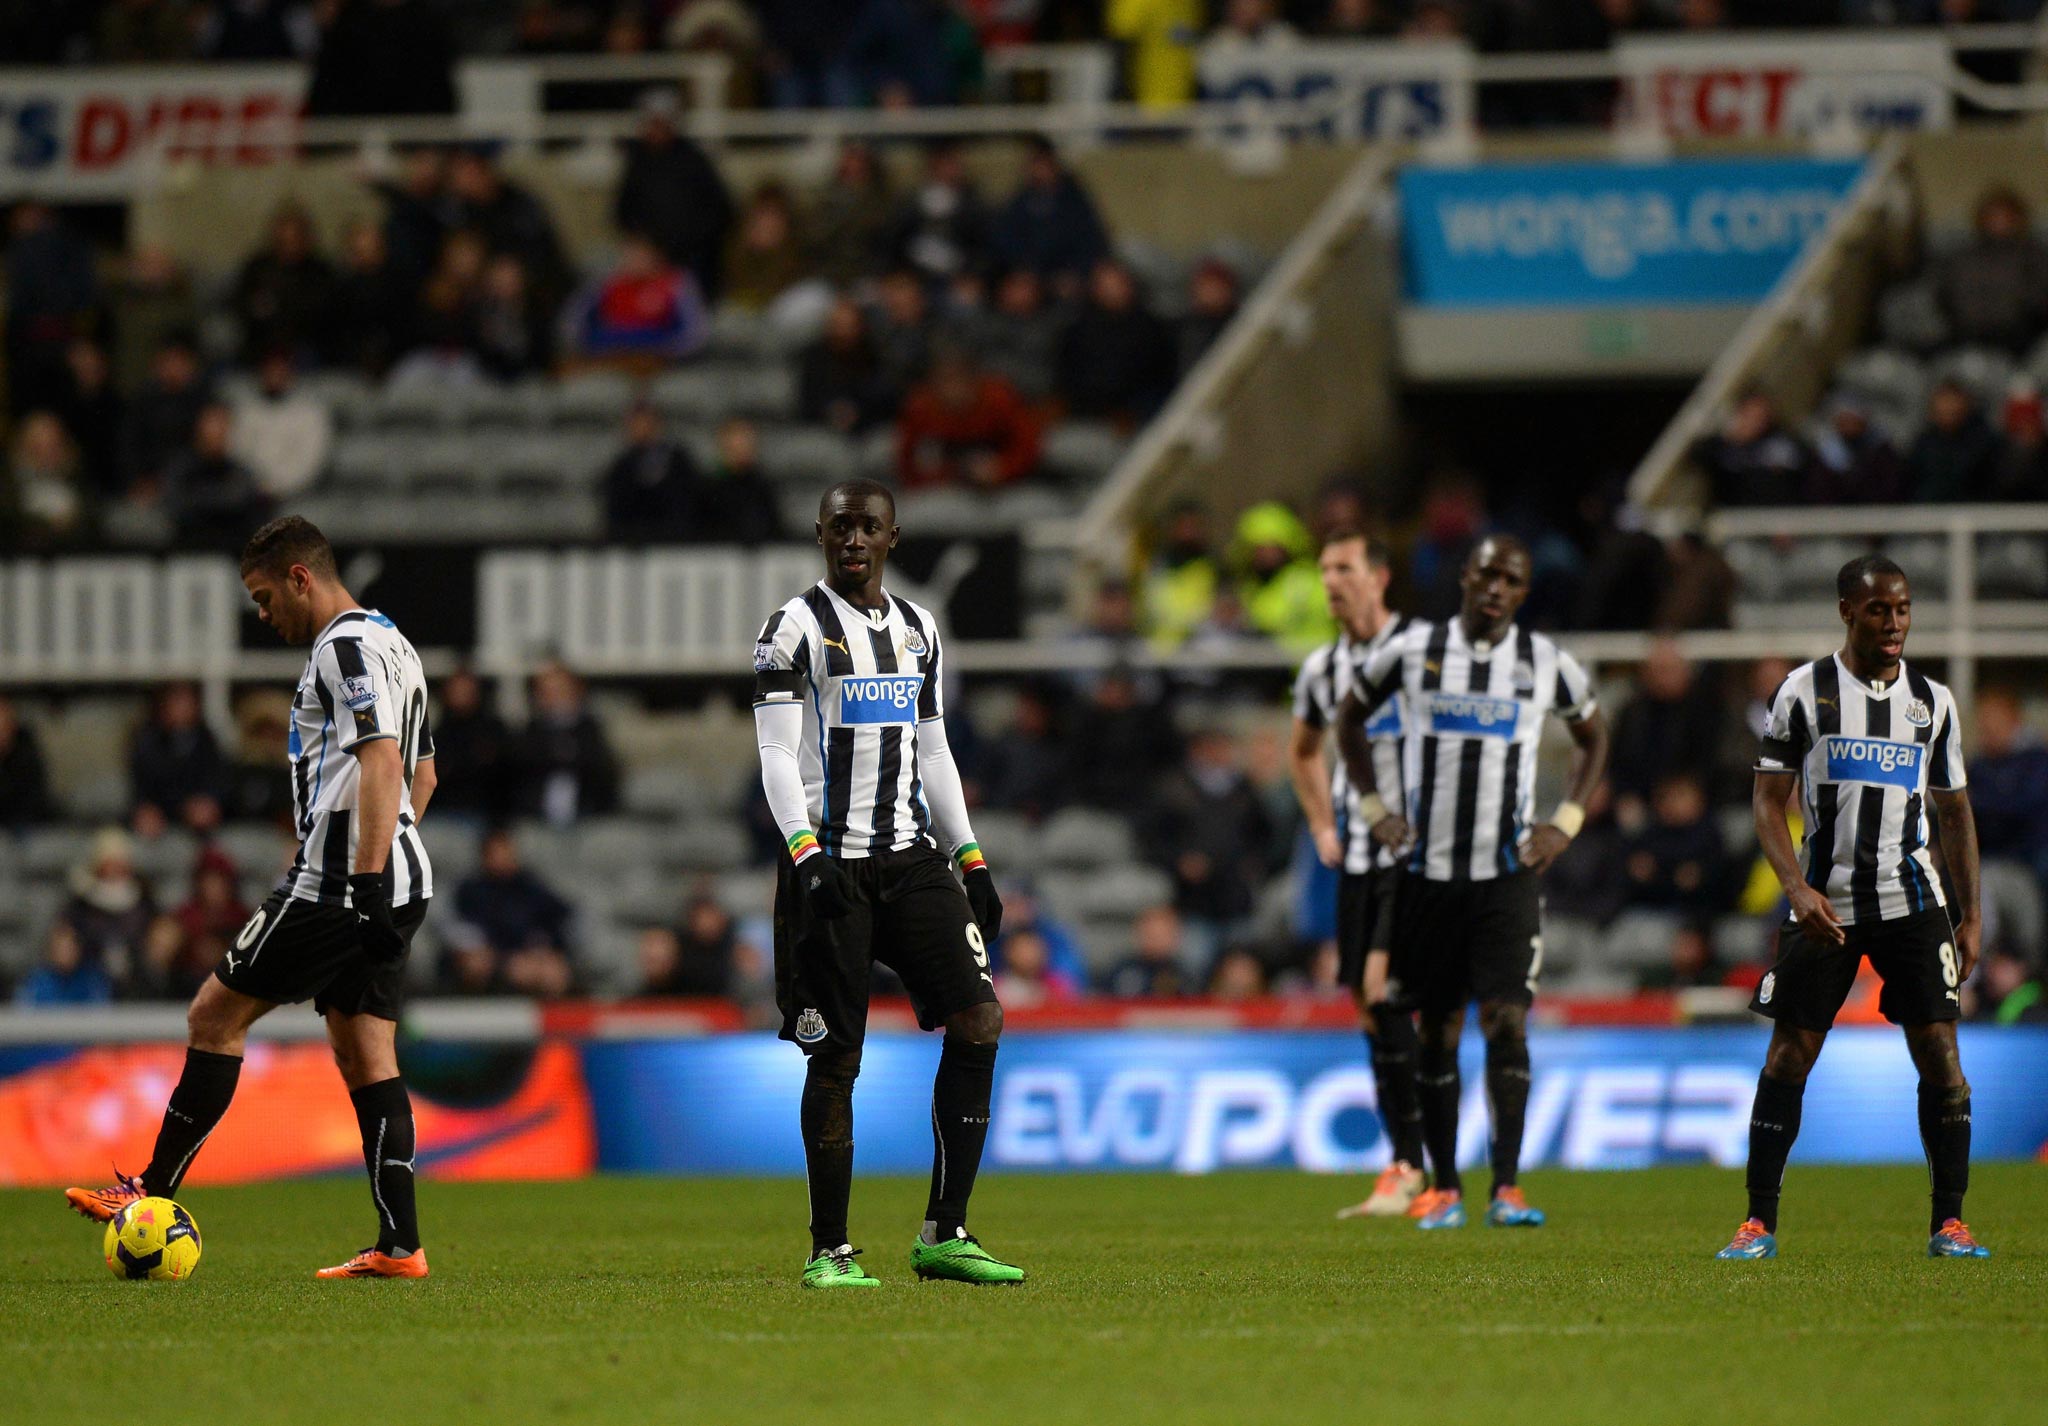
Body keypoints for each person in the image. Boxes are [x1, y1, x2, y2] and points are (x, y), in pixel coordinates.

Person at [66, 515, 440, 1280]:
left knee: (214, 1014)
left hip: (343, 880)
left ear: (301, 578)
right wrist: (391, 860)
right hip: (401, 872)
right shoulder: (395, 642)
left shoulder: (342, 648)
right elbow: (422, 776)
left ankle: (147, 1192)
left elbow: (381, 758)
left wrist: (363, 879)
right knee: (367, 1051)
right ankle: (401, 1246)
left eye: (266, 598)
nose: (263, 615)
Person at [751, 478, 1023, 1287]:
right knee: (835, 1059)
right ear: (821, 534)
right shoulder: (791, 629)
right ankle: (828, 1249)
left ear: (893, 537)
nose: (854, 540)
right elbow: (773, 752)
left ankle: (946, 1230)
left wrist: (969, 855)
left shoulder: (918, 631)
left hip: (910, 858)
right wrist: (804, 851)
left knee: (979, 1019)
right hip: (827, 862)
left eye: (869, 526)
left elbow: (934, 751)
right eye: (841, 527)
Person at [1717, 556, 1989, 1261]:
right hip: (1825, 904)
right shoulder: (1803, 693)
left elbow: (1955, 815)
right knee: (1788, 1057)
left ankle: (1950, 1223)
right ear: (1846, 611)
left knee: (1941, 1056)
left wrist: (1972, 915)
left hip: (1912, 900)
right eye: (1878, 610)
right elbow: (1767, 804)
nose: (1894, 622)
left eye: (1901, 609)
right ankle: (1758, 1223)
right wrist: (1797, 890)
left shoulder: (1934, 702)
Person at [1337, 535, 1609, 1231]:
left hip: (1505, 878)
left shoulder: (1543, 663)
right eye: (1486, 573)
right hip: (1429, 876)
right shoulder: (1414, 652)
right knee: (1439, 1030)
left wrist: (1566, 820)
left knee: (1507, 1020)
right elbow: (1348, 718)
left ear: (1523, 592)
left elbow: (1595, 735)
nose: (1495, 587)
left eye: (1510, 579)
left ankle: (1508, 1187)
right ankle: (1448, 1187)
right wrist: (1374, 808)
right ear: (1465, 576)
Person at [1287, 530, 1427, 1219]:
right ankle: (1410, 1165)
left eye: (1343, 568)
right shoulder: (1322, 669)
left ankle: (1424, 1166)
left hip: (1421, 857)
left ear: (1379, 576)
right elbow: (1303, 751)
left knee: (1386, 991)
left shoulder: (1426, 653)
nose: (1331, 581)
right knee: (1371, 1007)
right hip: (1360, 862)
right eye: (1323, 570)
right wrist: (1321, 824)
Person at [614, 87, 735, 296]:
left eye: (662, 121)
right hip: (648, 259)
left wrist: (687, 244)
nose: (656, 128)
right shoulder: (637, 163)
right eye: (652, 121)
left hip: (692, 260)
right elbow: (624, 211)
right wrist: (645, 246)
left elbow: (721, 210)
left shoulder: (694, 160)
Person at [231, 348, 334, 501]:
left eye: (280, 369)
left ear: (291, 372)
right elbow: (237, 451)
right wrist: (257, 485)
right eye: (270, 369)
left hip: (299, 495)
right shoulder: (245, 409)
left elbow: (311, 463)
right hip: (251, 495)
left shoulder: (311, 411)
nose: (275, 374)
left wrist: (276, 486)